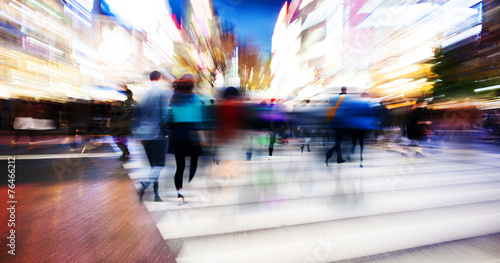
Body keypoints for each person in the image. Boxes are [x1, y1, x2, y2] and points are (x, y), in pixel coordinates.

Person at [167, 74, 207, 203]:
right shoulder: (194, 98)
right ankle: (191, 182)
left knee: (180, 167)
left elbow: (170, 117)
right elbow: (197, 119)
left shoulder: (174, 98)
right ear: (191, 85)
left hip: (177, 135)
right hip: (191, 134)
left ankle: (180, 191)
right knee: (194, 161)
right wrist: (203, 138)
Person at [134, 71, 171, 202]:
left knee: (153, 166)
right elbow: (165, 114)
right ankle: (145, 185)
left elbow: (137, 114)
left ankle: (156, 194)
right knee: (159, 165)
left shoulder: (143, 95)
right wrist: (166, 131)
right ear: (160, 78)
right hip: (157, 134)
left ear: (150, 79)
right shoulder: (162, 93)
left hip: (144, 135)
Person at [110, 88, 136, 161]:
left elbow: (124, 115)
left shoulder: (125, 104)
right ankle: (125, 152)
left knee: (117, 139)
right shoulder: (133, 103)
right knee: (123, 139)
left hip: (121, 125)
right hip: (127, 125)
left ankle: (125, 152)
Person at [325, 86, 348, 166]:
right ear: (345, 90)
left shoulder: (334, 99)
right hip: (342, 124)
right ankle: (331, 154)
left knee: (338, 141)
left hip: (334, 123)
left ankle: (339, 157)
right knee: (339, 142)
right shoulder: (346, 98)